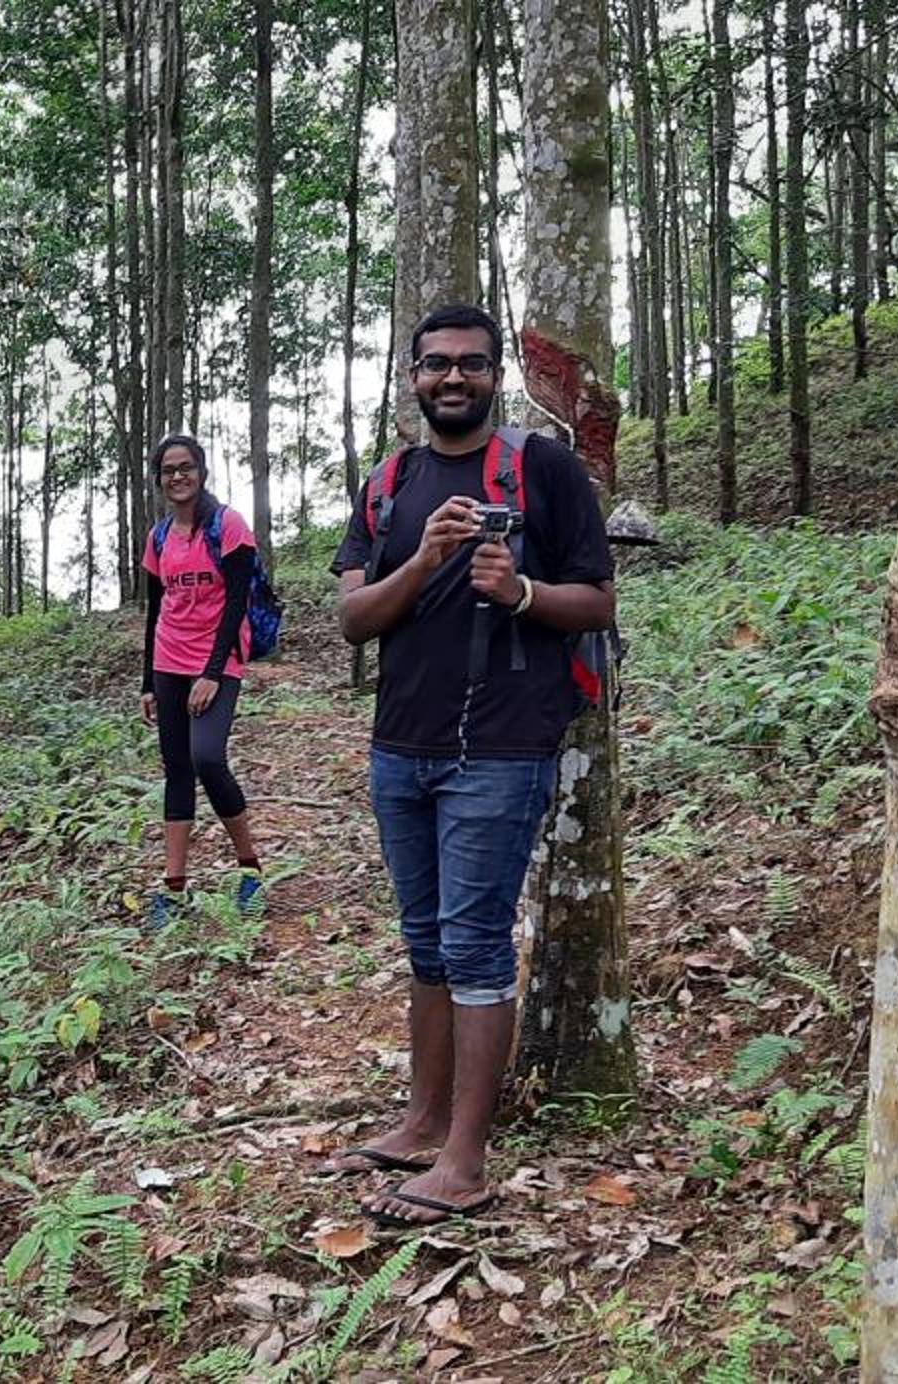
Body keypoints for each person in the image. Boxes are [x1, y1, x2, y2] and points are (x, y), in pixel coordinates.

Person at [326, 303, 616, 1227]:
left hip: (500, 746)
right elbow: (354, 618)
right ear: (413, 377)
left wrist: (520, 590)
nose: (454, 377)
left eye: (473, 364)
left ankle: (464, 1161)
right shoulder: (390, 483)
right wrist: (425, 559)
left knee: (477, 946)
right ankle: (422, 1122)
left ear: (496, 376)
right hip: (399, 747)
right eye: (437, 364)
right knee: (426, 942)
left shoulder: (542, 468)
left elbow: (598, 601)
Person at [138, 433, 266, 929]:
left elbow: (237, 602)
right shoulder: (159, 537)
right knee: (177, 770)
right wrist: (148, 682)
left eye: (186, 467)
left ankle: (249, 868)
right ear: (159, 480)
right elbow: (156, 611)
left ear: (202, 472)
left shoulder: (228, 525)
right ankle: (173, 887)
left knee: (207, 757)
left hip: (218, 658)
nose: (178, 476)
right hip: (169, 660)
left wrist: (212, 672)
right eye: (168, 470)